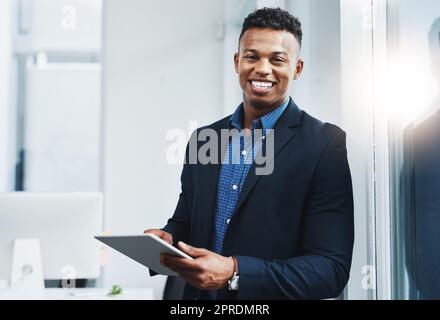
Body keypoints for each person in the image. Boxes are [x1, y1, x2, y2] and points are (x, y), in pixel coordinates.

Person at [145, 7, 354, 300]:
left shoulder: (323, 144)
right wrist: (167, 238)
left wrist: (235, 272)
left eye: (278, 59)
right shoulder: (206, 139)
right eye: (252, 56)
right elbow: (187, 221)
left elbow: (330, 270)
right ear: (237, 61)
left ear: (297, 68)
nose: (263, 69)